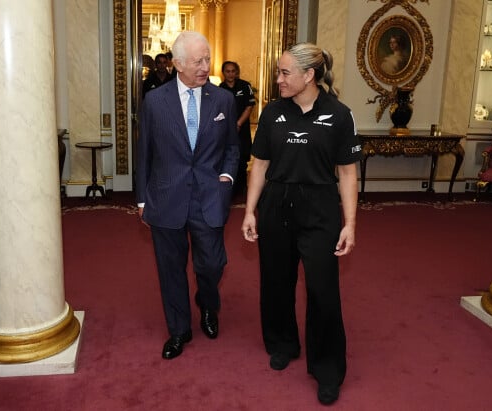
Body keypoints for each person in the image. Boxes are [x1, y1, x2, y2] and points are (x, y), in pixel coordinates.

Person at [241, 42, 361, 405]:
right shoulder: (273, 112)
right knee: (277, 281)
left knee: (323, 290)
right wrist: (249, 210)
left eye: (284, 72)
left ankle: (327, 369)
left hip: (320, 209)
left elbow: (347, 173)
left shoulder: (339, 115)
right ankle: (283, 343)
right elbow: (259, 164)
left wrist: (350, 223)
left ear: (310, 75)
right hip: (276, 204)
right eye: (279, 72)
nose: (278, 79)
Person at [136, 31, 239, 360]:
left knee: (212, 264)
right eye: (198, 61)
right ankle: (179, 330)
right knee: (170, 268)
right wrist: (141, 200)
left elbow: (233, 149)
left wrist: (226, 177)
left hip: (209, 196)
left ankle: (208, 305)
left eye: (207, 58)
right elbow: (145, 154)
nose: (205, 66)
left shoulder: (223, 99)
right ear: (177, 63)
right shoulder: (154, 101)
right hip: (167, 197)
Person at [219, 61, 256, 200]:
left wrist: (239, 123)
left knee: (242, 159)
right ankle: (230, 189)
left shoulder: (245, 86)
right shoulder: (220, 88)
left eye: (233, 71)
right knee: (228, 158)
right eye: (227, 71)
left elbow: (249, 106)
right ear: (224, 73)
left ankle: (242, 189)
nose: (230, 74)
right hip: (226, 131)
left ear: (237, 72)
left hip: (242, 130)